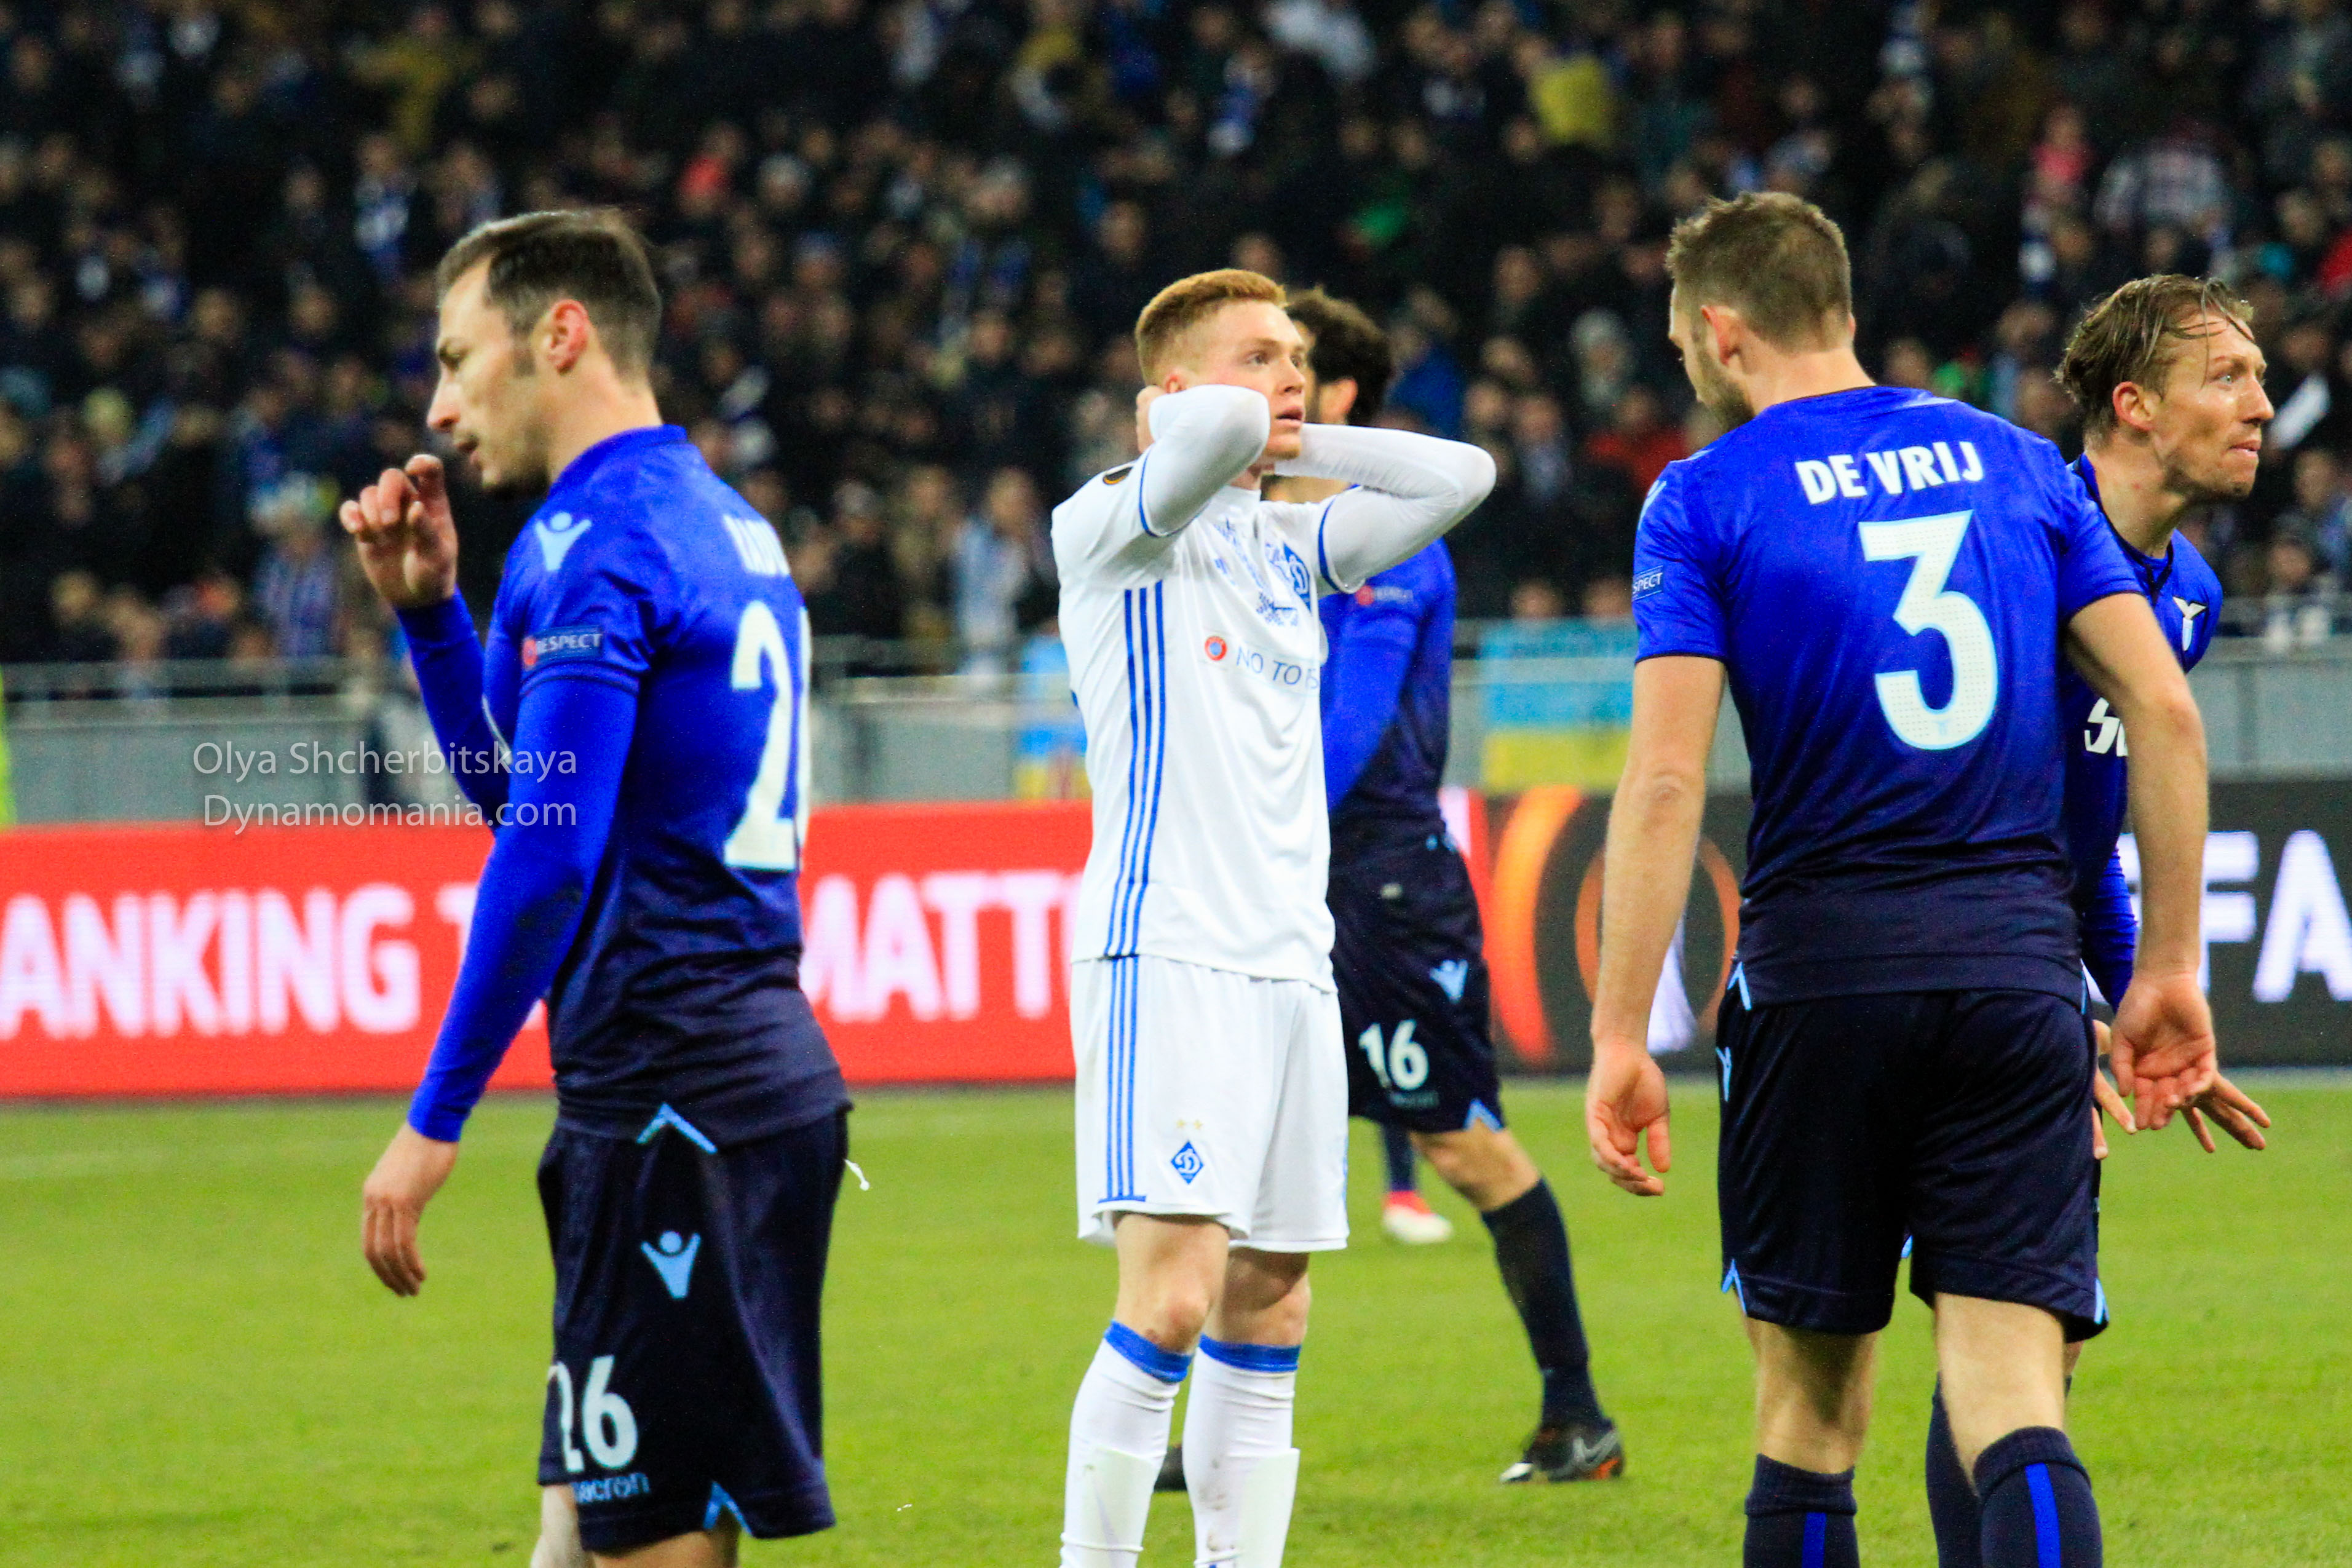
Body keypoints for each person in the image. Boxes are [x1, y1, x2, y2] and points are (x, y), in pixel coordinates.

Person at [1585, 192, 2220, 1568]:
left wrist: (1619, 1032)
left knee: (1809, 1423)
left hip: (1819, 979)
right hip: (2014, 979)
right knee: (2011, 1402)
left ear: (1720, 332)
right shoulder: (2021, 464)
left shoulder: (1701, 496)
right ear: (1845, 310)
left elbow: (1665, 784)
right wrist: (2167, 967)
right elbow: (2163, 713)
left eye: (1684, 344)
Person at [346, 210, 849, 1568]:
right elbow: (531, 801)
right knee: (577, 1534)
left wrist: (436, 1114)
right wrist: (432, 620)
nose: (440, 406)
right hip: (722, 1080)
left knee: (650, 1545)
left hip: (674, 1095)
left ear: (558, 336)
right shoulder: (717, 523)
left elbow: (546, 855)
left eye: (458, 359)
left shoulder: (594, 544)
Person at [1052, 268, 1494, 1568]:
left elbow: (1458, 475)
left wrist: (1297, 437)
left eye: (1297, 354)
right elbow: (1220, 436)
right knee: (1172, 1300)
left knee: (1272, 1304)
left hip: (1294, 964)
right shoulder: (1110, 526)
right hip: (1169, 950)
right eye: (1257, 354)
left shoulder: (1284, 547)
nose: (1289, 374)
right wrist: (1243, 421)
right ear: (1168, 396)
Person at [1922, 275, 2278, 1566]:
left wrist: (2133, 998)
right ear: (2131, 406)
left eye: (2257, 377)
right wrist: (2048, 999)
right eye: (2226, 379)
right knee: (1845, 1380)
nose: (2261, 406)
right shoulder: (2004, 544)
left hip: (2027, 974)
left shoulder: (2185, 593)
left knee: (2020, 1345)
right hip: (1923, 961)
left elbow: (2087, 843)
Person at [1287, 287, 1621, 1483]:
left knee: (1465, 1149)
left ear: (1338, 397)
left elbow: (1353, 730)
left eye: (1287, 367)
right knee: (1247, 1150)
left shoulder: (1391, 544)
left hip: (1384, 889)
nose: (1264, 390)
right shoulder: (1259, 535)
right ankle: (1224, 1420)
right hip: (1291, 886)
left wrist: (1254, 825)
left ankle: (1576, 1413)